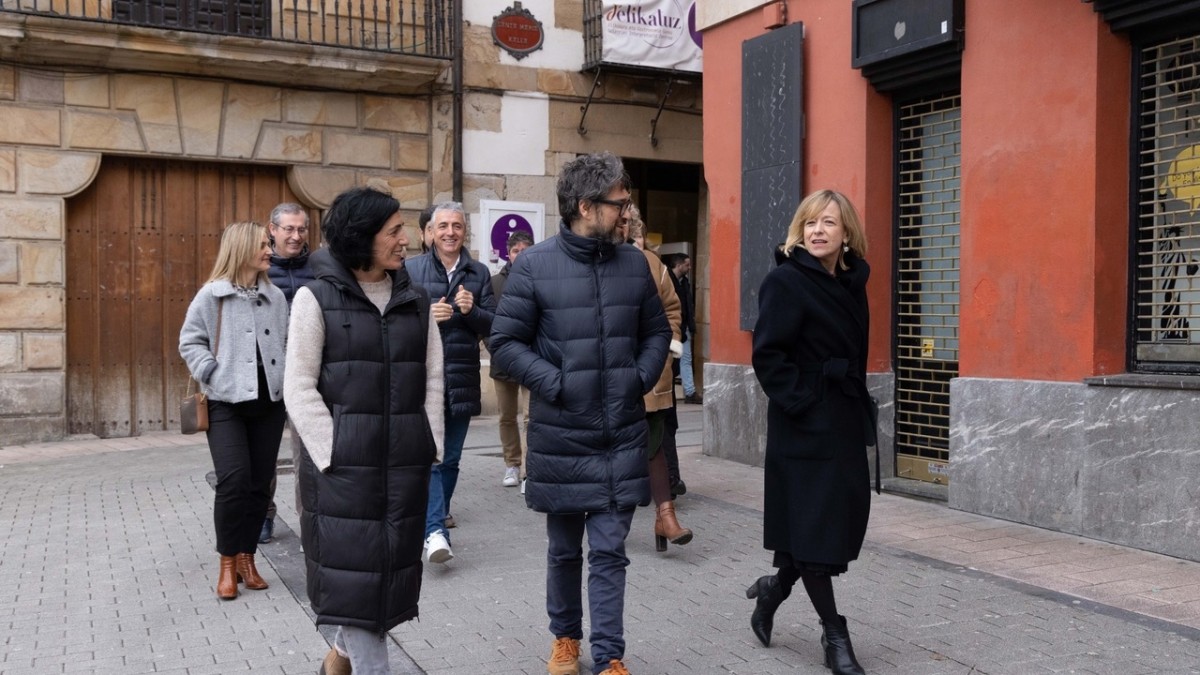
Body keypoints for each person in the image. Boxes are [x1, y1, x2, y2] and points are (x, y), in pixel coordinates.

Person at [490, 151, 671, 675]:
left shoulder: (635, 264)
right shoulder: (533, 266)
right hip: (561, 434)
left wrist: (637, 377)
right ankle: (565, 639)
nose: (627, 213)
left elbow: (658, 330)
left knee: (611, 550)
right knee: (566, 549)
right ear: (587, 206)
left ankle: (609, 653)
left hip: (619, 433)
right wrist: (556, 384)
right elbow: (504, 342)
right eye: (620, 203)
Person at [283, 186, 444, 675]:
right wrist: (333, 454)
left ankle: (337, 661)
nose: (407, 240)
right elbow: (299, 387)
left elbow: (433, 377)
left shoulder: (417, 301)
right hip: (342, 475)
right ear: (362, 237)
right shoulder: (315, 298)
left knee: (381, 587)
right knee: (357, 589)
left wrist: (428, 442)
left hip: (403, 469)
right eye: (394, 231)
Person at [745, 189, 874, 675]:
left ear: (847, 234)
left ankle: (773, 591)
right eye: (810, 223)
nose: (818, 231)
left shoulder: (853, 281)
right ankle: (834, 634)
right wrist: (803, 402)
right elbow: (768, 356)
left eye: (829, 223)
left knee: (828, 525)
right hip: (803, 425)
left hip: (841, 419)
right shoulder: (785, 281)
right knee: (816, 529)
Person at [178, 221, 288, 601]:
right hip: (226, 403)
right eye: (263, 244)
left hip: (269, 405)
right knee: (233, 480)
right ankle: (226, 563)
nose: (269, 250)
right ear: (242, 249)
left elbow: (287, 342)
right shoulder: (213, 295)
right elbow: (189, 341)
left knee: (260, 484)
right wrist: (213, 372)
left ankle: (247, 558)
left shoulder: (275, 297)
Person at [406, 201, 496, 564]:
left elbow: (494, 325)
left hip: (461, 377)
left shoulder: (478, 273)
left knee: (453, 457)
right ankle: (434, 531)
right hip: (422, 377)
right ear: (430, 231)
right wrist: (425, 316)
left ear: (465, 232)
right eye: (443, 225)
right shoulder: (410, 269)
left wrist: (471, 310)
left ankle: (435, 515)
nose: (450, 232)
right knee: (431, 456)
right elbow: (393, 320)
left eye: (456, 226)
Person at [619, 206, 692, 553]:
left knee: (654, 442)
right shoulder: (593, 261)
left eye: (633, 230)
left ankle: (666, 515)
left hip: (649, 369)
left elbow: (672, 310)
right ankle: (610, 522)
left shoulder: (652, 264)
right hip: (607, 372)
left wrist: (668, 349)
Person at [259, 202, 315, 545]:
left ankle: (308, 517)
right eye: (289, 229)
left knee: (306, 453)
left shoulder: (320, 266)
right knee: (265, 452)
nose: (296, 236)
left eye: (302, 229)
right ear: (273, 229)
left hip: (308, 372)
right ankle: (264, 513)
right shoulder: (259, 267)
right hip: (268, 372)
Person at [490, 230, 535, 490]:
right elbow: (488, 320)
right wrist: (494, 347)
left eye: (525, 250)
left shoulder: (540, 278)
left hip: (531, 359)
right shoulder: (495, 282)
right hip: (503, 360)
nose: (521, 255)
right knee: (507, 417)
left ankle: (530, 472)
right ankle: (512, 464)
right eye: (516, 250)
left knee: (532, 418)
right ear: (509, 253)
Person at [670, 253, 701, 405]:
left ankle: (689, 392)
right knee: (669, 360)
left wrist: (690, 326)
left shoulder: (685, 283)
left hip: (685, 327)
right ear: (679, 265)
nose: (689, 268)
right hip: (671, 327)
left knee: (686, 359)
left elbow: (688, 307)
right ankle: (668, 391)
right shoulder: (667, 280)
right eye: (687, 265)